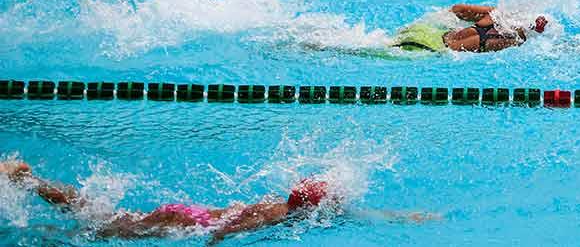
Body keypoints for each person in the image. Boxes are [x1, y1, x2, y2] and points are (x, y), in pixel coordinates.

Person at [0, 161, 433, 242]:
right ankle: (34, 207)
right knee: (103, 230)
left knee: (103, 217)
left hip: (189, 213)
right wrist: (214, 243)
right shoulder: (273, 214)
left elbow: (358, 214)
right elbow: (234, 226)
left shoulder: (290, 208)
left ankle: (30, 181)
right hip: (185, 222)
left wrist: (403, 217)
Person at [393, 4, 548, 53]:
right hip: (429, 47)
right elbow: (458, 9)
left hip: (427, 35)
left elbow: (458, 9)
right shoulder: (513, 39)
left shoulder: (496, 15)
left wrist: (442, 18)